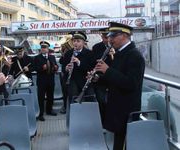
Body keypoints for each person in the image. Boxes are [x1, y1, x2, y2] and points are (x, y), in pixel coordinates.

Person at [94, 22, 145, 150]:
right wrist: (98, 78)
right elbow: (114, 79)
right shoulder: (120, 53)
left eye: (113, 36)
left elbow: (131, 83)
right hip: (118, 108)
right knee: (118, 142)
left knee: (123, 144)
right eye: (109, 36)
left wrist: (107, 70)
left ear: (124, 35)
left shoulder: (134, 56)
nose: (110, 40)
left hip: (127, 109)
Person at [62, 31, 95, 127]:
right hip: (72, 82)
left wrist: (79, 62)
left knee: (89, 102)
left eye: (78, 41)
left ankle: (89, 123)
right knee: (73, 102)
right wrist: (66, 68)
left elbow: (91, 68)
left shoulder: (89, 53)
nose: (75, 43)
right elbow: (64, 66)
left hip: (85, 82)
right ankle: (74, 124)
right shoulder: (68, 53)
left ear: (83, 42)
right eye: (74, 41)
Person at [91, 27, 112, 123]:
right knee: (101, 100)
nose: (107, 39)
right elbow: (94, 61)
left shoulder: (115, 47)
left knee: (112, 101)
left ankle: (110, 120)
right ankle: (103, 121)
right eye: (104, 37)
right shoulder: (96, 47)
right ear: (102, 37)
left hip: (112, 78)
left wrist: (113, 55)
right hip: (100, 78)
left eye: (108, 37)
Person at [34, 41, 58, 121]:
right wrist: (42, 68)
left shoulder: (52, 57)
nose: (43, 49)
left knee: (50, 95)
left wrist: (56, 67)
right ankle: (40, 113)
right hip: (41, 80)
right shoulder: (37, 58)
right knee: (41, 97)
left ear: (48, 49)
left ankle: (49, 110)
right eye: (42, 48)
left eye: (45, 48)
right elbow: (35, 68)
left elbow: (56, 66)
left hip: (50, 79)